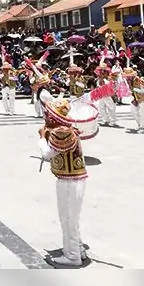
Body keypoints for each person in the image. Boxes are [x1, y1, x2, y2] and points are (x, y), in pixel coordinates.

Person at [36, 93, 90, 267]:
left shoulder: (61, 132)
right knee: (72, 218)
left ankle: (72, 256)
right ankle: (78, 248)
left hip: (69, 182)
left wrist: (42, 138)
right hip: (73, 180)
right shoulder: (66, 129)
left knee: (68, 219)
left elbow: (47, 155)